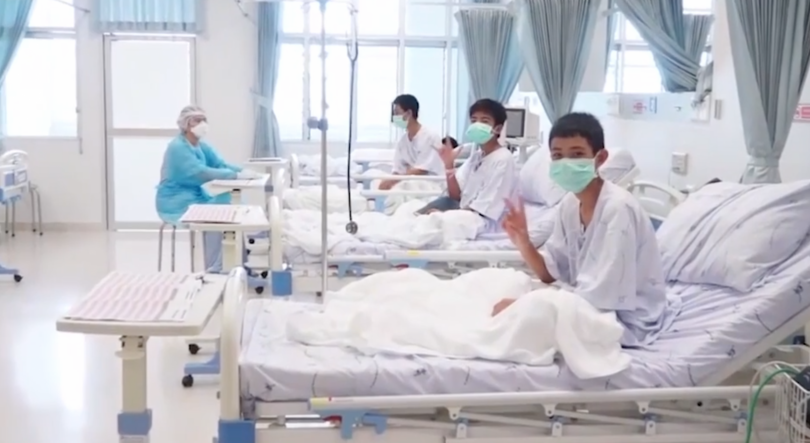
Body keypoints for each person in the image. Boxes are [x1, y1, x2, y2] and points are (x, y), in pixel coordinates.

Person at [494, 112, 673, 348]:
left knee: (515, 317)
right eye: (558, 156)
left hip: (623, 319)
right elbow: (551, 274)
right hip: (585, 303)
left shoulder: (617, 210)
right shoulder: (569, 205)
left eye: (577, 155)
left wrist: (527, 305)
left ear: (600, 158)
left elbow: (601, 300)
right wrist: (524, 243)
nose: (566, 163)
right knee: (498, 285)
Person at [155, 105, 259, 273]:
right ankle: (217, 268)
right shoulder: (178, 148)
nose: (202, 123)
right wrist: (235, 177)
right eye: (198, 120)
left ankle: (240, 266)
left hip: (196, 198)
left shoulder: (199, 146)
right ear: (187, 124)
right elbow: (200, 173)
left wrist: (243, 172)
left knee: (230, 203)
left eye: (204, 120)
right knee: (217, 213)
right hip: (175, 203)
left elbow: (220, 164)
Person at [416, 99, 518, 232]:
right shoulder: (476, 156)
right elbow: (455, 195)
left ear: (498, 128)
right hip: (464, 213)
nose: (477, 125)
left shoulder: (503, 159)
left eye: (484, 121)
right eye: (474, 120)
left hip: (480, 221)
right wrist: (449, 165)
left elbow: (484, 209)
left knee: (430, 223)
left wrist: (447, 215)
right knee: (412, 214)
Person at [379, 94, 445, 190]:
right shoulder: (402, 142)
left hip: (431, 185)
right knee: (382, 185)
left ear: (409, 113)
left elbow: (422, 170)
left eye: (397, 113)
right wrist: (388, 182)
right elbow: (398, 170)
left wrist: (394, 181)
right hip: (409, 182)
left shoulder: (430, 137)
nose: (394, 118)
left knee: (399, 191)